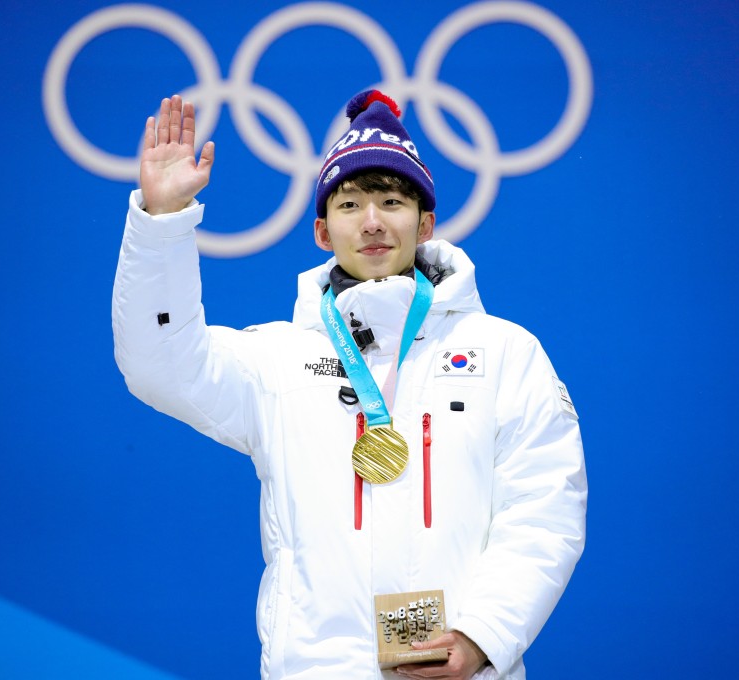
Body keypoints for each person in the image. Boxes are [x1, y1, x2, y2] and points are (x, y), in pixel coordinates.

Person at [112, 90, 587, 680]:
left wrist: (481, 637)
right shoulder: (277, 361)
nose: (372, 221)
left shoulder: (504, 353)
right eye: (350, 203)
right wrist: (162, 225)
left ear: (426, 222)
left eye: (392, 200)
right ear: (321, 229)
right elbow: (158, 362)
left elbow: (544, 512)